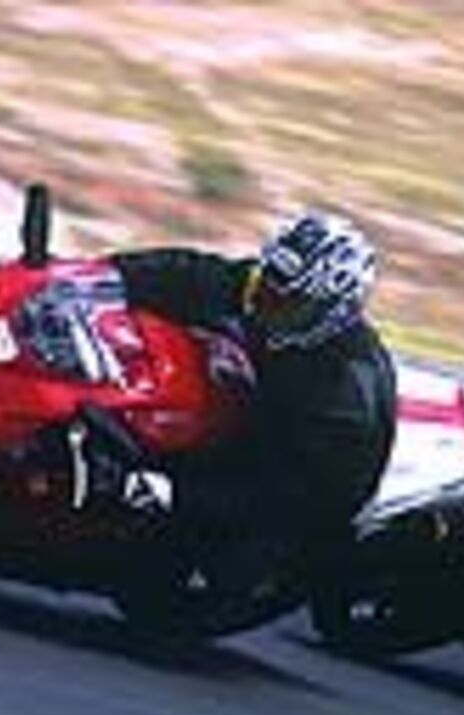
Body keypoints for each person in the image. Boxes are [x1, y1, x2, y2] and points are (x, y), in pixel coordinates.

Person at [108, 210, 398, 636]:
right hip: (247, 431)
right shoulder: (263, 290)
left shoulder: (342, 401)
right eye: (264, 290)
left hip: (293, 507)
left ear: (332, 312)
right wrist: (104, 276)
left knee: (157, 600)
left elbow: (287, 497)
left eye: (286, 305)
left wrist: (180, 493)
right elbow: (190, 275)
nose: (264, 309)